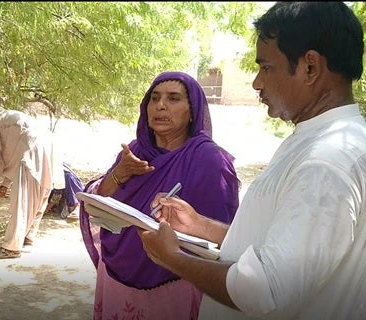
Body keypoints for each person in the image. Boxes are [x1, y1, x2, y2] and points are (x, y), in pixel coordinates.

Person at [138, 2, 366, 320]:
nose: (257, 83)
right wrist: (202, 227)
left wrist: (173, 258)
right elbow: (281, 245)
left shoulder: (326, 162)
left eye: (266, 67)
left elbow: (265, 289)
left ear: (310, 67)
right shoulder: (317, 141)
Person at [79, 71, 240, 319]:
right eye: (154, 98)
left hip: (175, 280)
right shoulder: (135, 151)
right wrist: (119, 174)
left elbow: (223, 239)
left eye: (173, 98)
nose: (160, 105)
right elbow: (100, 200)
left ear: (192, 111)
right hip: (117, 272)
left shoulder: (209, 160)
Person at [0, 109, 65, 259]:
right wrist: (5, 185)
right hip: (48, 144)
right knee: (40, 192)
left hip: (31, 147)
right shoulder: (1, 119)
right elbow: (11, 154)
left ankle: (11, 248)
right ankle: (28, 236)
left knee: (22, 200)